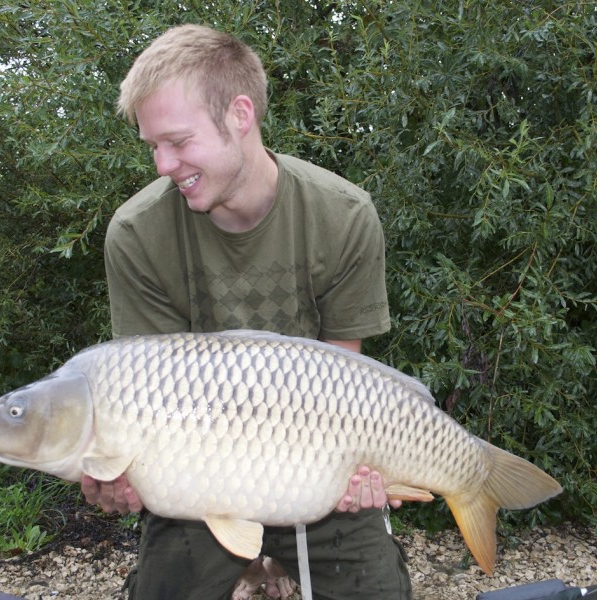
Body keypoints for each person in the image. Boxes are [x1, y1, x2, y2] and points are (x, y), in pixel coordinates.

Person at [82, 24, 412, 600]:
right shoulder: (137, 235)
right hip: (197, 474)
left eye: (178, 141)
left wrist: (358, 473)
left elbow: (344, 390)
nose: (163, 164)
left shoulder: (343, 215)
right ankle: (249, 566)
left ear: (240, 115)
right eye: (153, 146)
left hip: (314, 461)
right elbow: (145, 402)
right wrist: (118, 472)